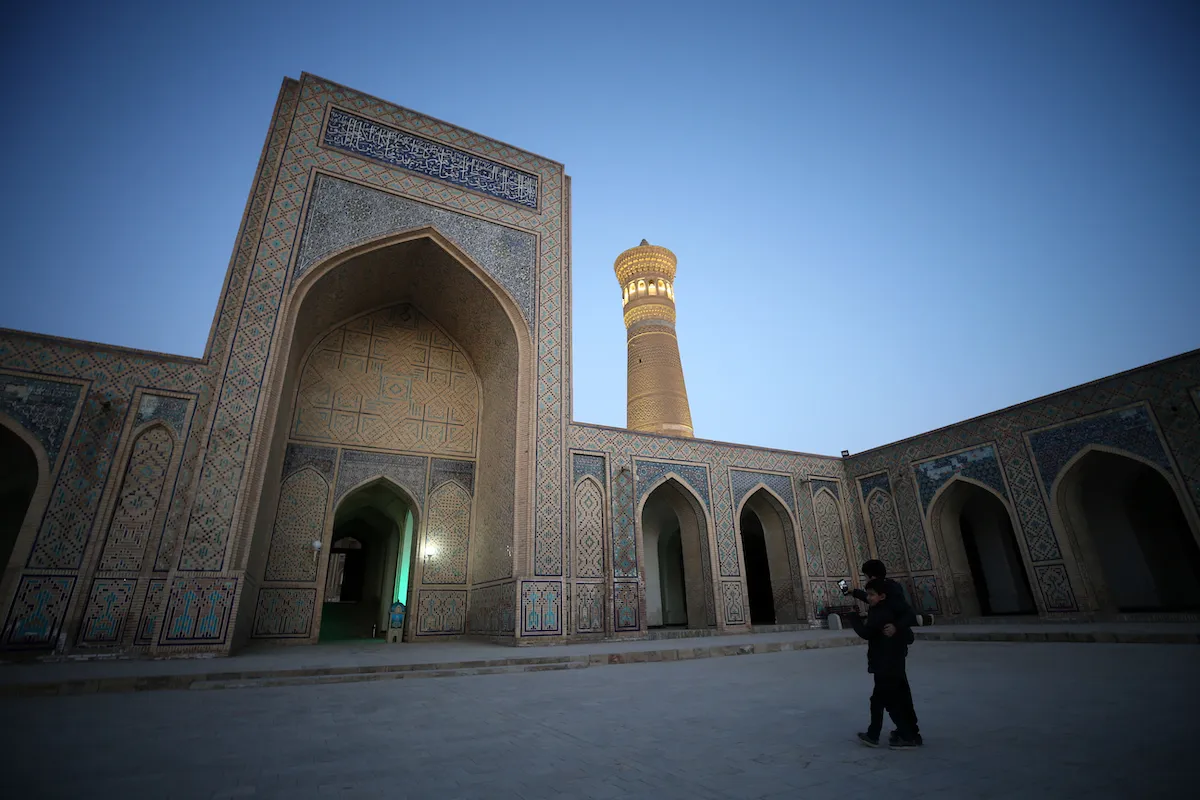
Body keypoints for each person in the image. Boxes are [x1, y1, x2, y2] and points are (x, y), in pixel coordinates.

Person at [846, 579, 921, 750]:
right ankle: (873, 735)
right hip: (888, 660)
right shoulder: (889, 604)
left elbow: (866, 633)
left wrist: (853, 617)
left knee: (888, 700)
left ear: (882, 595)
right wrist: (854, 592)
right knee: (879, 699)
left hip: (886, 662)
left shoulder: (881, 612)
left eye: (871, 594)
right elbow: (870, 598)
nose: (869, 597)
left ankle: (907, 736)